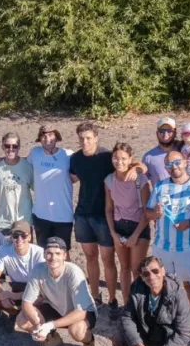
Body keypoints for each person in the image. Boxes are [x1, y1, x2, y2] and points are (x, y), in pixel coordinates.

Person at [69, 122, 134, 317]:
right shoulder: (75, 158)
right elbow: (72, 178)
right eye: (81, 138)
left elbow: (129, 162)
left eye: (88, 138)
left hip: (104, 215)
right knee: (90, 257)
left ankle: (113, 298)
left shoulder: (107, 156)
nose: (85, 141)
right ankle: (95, 296)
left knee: (107, 259)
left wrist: (136, 168)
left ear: (96, 138)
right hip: (82, 214)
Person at [146, 150, 190, 332]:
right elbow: (148, 213)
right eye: (169, 165)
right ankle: (169, 322)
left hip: (187, 248)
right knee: (163, 287)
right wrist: (154, 214)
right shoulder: (160, 186)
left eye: (176, 163)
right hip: (162, 247)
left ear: (185, 162)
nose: (173, 167)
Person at [16, 237, 99, 346]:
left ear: (64, 255)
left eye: (58, 253)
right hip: (54, 306)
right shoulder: (38, 270)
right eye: (49, 253)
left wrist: (51, 325)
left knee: (76, 331)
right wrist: (39, 327)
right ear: (44, 255)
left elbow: (81, 311)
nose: (53, 257)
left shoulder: (74, 272)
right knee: (22, 319)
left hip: (80, 312)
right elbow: (26, 302)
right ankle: (51, 340)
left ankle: (89, 345)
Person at [114, 256, 190, 346]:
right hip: (146, 332)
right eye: (146, 274)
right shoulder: (136, 289)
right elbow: (127, 317)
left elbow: (185, 331)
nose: (151, 276)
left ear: (163, 271)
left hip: (169, 336)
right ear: (142, 277)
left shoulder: (178, 294)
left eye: (155, 271)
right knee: (118, 337)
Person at [104, 142, 151, 311]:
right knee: (124, 268)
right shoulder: (109, 180)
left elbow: (147, 212)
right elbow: (109, 209)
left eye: (123, 158)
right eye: (116, 158)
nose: (119, 162)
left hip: (138, 227)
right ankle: (127, 304)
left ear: (130, 159)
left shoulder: (140, 179)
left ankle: (140, 305)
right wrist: (113, 233)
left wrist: (135, 235)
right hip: (119, 227)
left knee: (136, 270)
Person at [0, 220, 45, 315]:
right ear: (11, 237)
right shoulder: (3, 250)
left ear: (29, 237)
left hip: (35, 288)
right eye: (15, 235)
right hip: (15, 285)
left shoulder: (39, 253)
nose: (19, 239)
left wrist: (14, 296)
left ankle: (18, 312)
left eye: (23, 235)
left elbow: (43, 287)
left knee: (41, 299)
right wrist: (3, 294)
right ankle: (16, 311)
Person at [28, 124, 74, 248]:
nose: (47, 138)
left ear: (56, 137)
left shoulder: (68, 155)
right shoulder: (34, 153)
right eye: (43, 135)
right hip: (40, 214)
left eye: (50, 135)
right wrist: (1, 159)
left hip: (63, 214)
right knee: (44, 252)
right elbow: (20, 162)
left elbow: (77, 175)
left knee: (63, 253)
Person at [0, 131, 34, 233]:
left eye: (15, 146)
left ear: (19, 147)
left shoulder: (28, 166)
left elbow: (37, 189)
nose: (11, 149)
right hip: (3, 221)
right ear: (2, 147)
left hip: (24, 220)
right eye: (7, 146)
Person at [142, 117, 178, 185]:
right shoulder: (148, 157)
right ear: (157, 133)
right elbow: (143, 182)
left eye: (169, 131)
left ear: (175, 133)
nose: (165, 134)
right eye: (162, 131)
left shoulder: (183, 151)